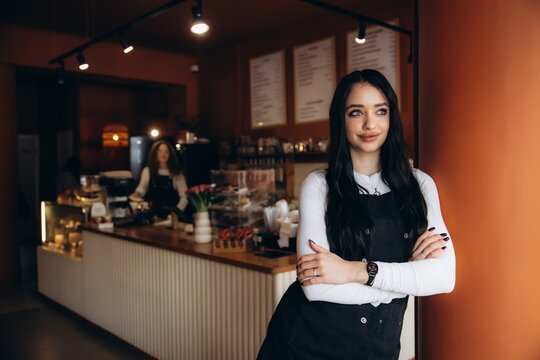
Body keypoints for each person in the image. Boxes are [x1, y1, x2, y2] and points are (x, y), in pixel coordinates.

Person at [258, 69, 455, 359]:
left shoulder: (420, 185)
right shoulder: (319, 185)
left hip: (378, 345)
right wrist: (409, 275)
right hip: (304, 342)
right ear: (341, 119)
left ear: (391, 117)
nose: (369, 123)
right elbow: (316, 288)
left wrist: (354, 271)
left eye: (380, 110)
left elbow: (443, 277)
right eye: (355, 112)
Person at [132, 140, 188, 219]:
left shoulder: (176, 173)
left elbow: (185, 197)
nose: (163, 154)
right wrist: (137, 194)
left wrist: (176, 212)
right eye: (160, 151)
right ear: (155, 153)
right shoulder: (148, 171)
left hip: (171, 216)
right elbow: (142, 188)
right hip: (153, 215)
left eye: (166, 152)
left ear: (170, 154)